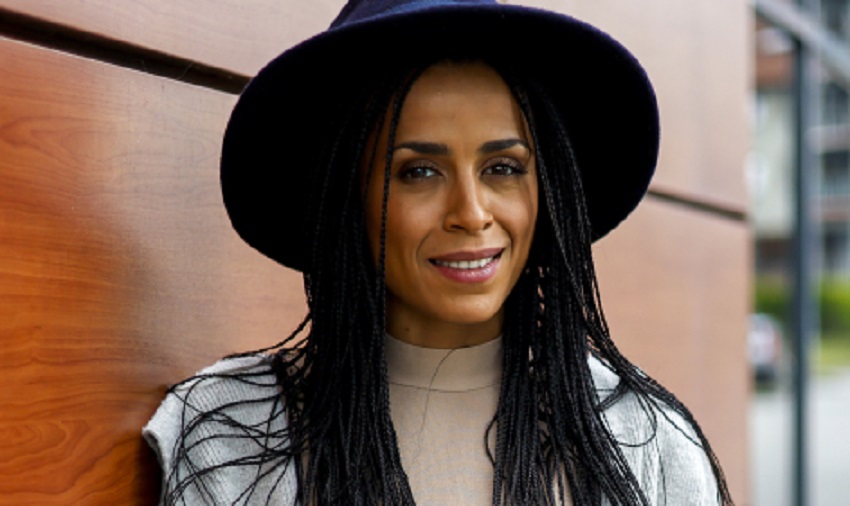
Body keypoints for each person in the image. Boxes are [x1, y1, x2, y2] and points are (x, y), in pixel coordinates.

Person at [143, 0, 734, 504]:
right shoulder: (230, 436)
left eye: (503, 167)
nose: (471, 213)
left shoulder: (644, 440)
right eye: (419, 171)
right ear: (347, 195)